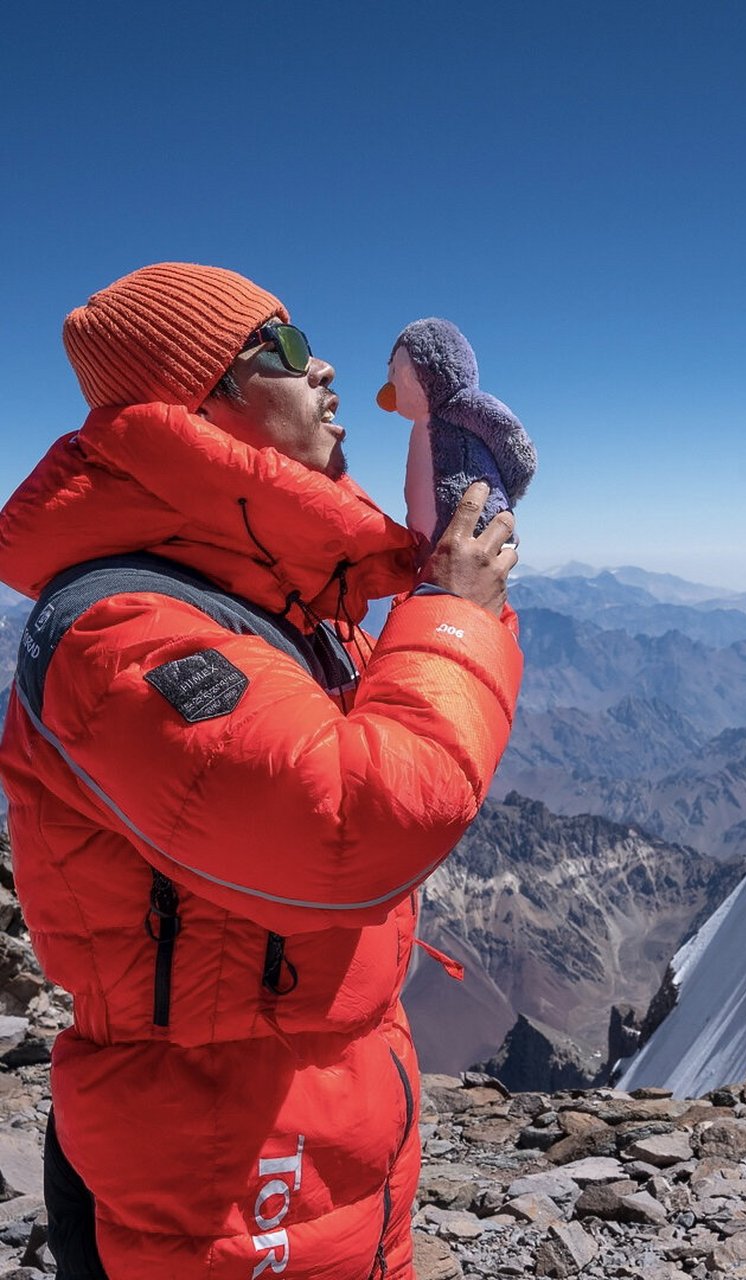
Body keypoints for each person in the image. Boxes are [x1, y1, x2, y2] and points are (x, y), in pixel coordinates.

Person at [0, 262, 523, 1279]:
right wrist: (452, 609)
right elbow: (354, 821)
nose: (323, 367)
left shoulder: (268, 611)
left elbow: (407, 736)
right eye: (278, 349)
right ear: (197, 399)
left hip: (299, 1138)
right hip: (218, 1177)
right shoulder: (124, 629)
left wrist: (433, 573)